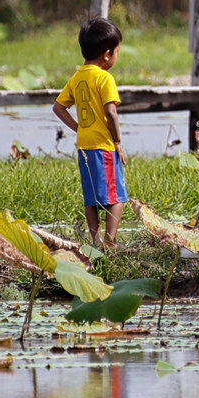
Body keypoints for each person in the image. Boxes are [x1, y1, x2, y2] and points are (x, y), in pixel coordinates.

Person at [53, 17, 127, 249]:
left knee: (91, 195)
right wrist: (117, 141)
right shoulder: (105, 78)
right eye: (117, 51)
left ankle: (95, 241)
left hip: (84, 145)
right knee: (117, 197)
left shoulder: (77, 77)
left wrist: (78, 127)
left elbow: (58, 107)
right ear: (107, 54)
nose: (116, 56)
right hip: (103, 145)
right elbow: (111, 113)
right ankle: (110, 242)